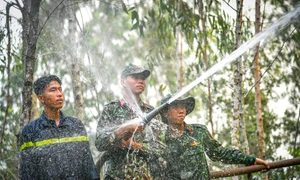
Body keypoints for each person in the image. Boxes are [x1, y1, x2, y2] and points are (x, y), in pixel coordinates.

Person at [159, 94, 269, 179]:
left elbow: (219, 153)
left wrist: (250, 159)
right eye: (175, 106)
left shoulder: (198, 132)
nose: (181, 110)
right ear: (165, 112)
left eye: (183, 106)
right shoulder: (161, 140)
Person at [19, 75, 99, 180]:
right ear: (41, 98)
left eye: (60, 89)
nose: (59, 94)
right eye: (53, 90)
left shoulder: (75, 125)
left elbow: (88, 166)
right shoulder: (30, 131)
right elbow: (28, 174)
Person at [95, 63, 166, 180]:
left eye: (143, 78)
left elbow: (160, 149)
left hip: (143, 176)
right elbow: (99, 143)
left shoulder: (151, 112)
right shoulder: (111, 109)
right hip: (115, 176)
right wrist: (121, 132)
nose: (141, 81)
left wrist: (135, 146)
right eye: (135, 77)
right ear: (123, 82)